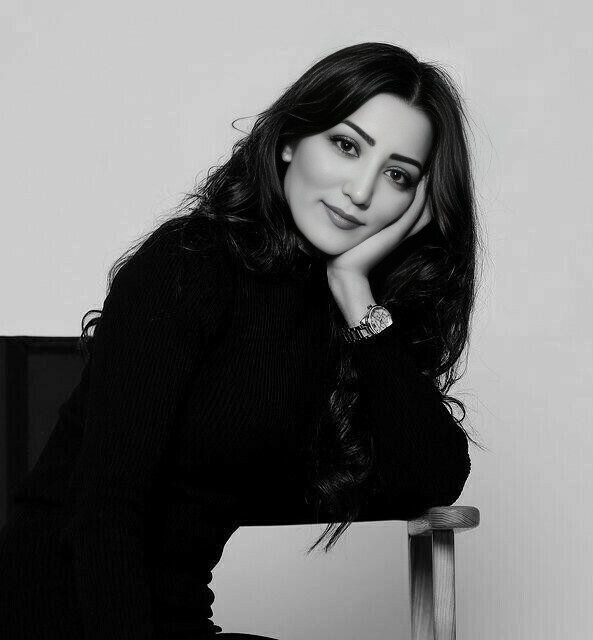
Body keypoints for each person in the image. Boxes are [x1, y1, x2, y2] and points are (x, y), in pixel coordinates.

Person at [0, 41, 480, 639]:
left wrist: (355, 292)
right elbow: (105, 509)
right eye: (346, 145)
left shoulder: (341, 319)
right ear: (290, 140)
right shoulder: (188, 263)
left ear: (417, 204)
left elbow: (430, 478)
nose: (361, 191)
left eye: (397, 175)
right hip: (59, 618)